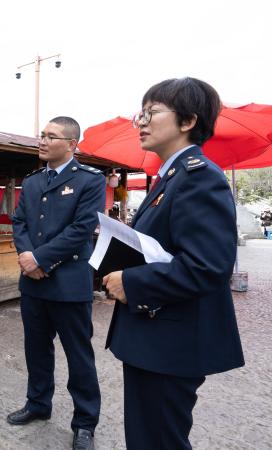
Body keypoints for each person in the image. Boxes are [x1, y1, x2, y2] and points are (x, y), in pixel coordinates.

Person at [103, 77, 245, 449]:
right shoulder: (171, 176)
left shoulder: (199, 178)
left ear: (188, 121)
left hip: (171, 344)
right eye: (140, 114)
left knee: (158, 440)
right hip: (156, 338)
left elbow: (208, 267)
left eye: (151, 112)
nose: (141, 122)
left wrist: (131, 282)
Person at [9, 116, 105, 450]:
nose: (43, 141)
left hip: (69, 283)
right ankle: (38, 403)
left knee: (79, 356)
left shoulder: (90, 180)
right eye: (42, 135)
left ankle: (85, 422)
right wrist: (27, 257)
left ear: (71, 144)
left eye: (51, 137)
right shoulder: (33, 181)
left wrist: (40, 259)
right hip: (33, 283)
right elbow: (19, 222)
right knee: (36, 350)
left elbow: (81, 229)